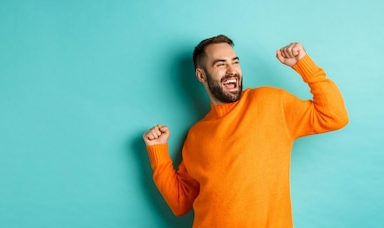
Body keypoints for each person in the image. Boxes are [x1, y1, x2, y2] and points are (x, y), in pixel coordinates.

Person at [143, 34, 349, 227]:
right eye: (221, 64)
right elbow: (180, 203)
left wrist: (304, 66)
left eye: (235, 62)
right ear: (201, 75)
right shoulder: (197, 135)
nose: (232, 70)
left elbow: (334, 116)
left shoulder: (270, 102)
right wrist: (158, 152)